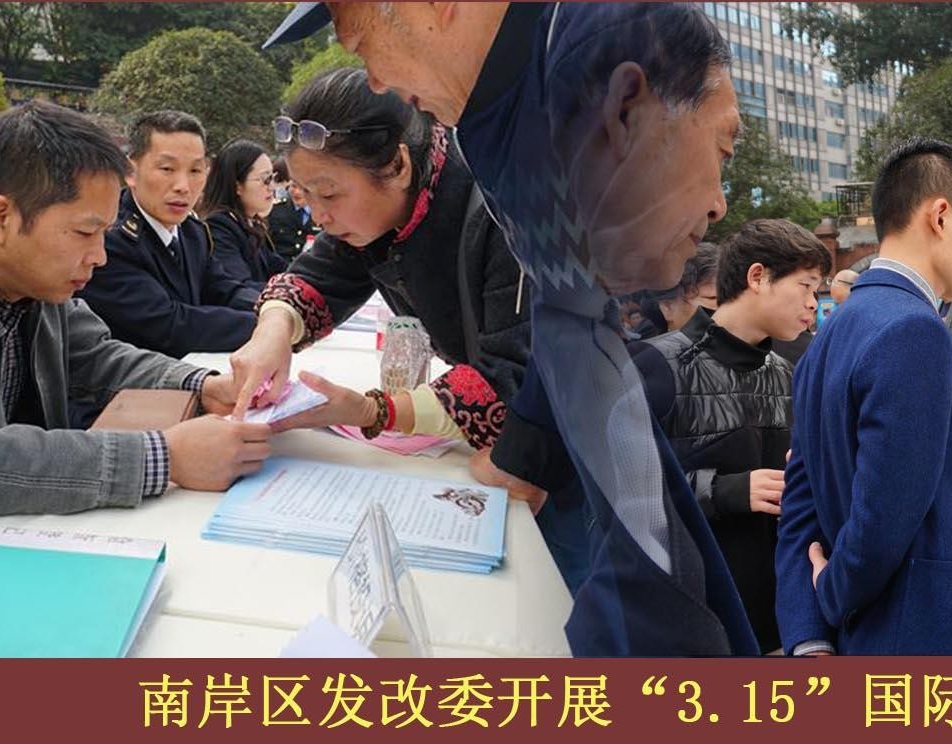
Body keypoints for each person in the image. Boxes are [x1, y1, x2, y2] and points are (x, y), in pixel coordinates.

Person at [285, 3, 760, 657]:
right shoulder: (493, 114)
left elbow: (574, 308)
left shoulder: (578, 53)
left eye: (363, 41)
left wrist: (523, 449)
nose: (375, 80)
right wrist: (526, 446)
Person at [0, 101, 267, 519]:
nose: (100, 256)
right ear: (1, 218)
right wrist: (163, 457)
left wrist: (204, 385)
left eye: (104, 233)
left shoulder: (38, 289)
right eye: (83, 233)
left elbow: (98, 355)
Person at [777, 138, 952, 655]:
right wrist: (831, 592)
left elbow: (801, 501)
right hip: (934, 635)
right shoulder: (914, 330)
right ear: (941, 217)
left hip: (875, 637)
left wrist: (808, 635)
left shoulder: (831, 332)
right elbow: (881, 521)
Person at [224, 68, 532, 469]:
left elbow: (512, 383)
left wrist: (374, 412)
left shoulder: (501, 211)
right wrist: (273, 331)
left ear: (398, 165)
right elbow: (316, 279)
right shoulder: (379, 212)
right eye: (306, 194)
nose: (318, 216)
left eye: (329, 193)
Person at [642, 217, 827, 653]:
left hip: (776, 621)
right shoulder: (656, 365)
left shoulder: (787, 373)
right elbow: (618, 492)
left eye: (818, 290)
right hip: (691, 616)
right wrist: (725, 491)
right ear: (757, 277)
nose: (813, 303)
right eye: (806, 286)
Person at [81, 111, 260, 357]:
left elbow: (222, 288)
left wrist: (274, 309)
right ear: (130, 171)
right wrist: (264, 327)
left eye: (195, 171)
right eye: (167, 169)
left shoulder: (192, 232)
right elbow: (169, 326)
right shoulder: (109, 239)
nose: (183, 186)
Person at [196, 139, 291, 297]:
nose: (272, 187)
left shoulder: (252, 223)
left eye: (272, 178)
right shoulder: (218, 227)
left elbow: (281, 269)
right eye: (265, 180)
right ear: (237, 186)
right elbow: (239, 286)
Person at [628, 246, 721, 341]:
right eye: (712, 298)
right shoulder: (648, 349)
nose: (727, 309)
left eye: (729, 298)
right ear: (667, 307)